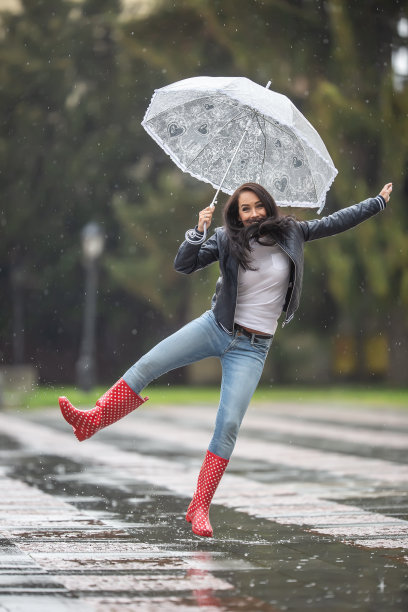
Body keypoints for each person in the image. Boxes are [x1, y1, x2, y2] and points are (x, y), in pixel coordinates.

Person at [59, 181, 393, 538]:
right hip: (214, 327)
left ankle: (200, 505)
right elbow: (184, 265)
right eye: (244, 209)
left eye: (257, 207)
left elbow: (336, 221)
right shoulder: (224, 239)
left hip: (253, 347)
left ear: (268, 206)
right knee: (148, 365)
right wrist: (197, 232)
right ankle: (93, 420)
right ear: (236, 214)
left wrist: (377, 202)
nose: (252, 214)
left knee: (229, 423)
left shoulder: (293, 233)